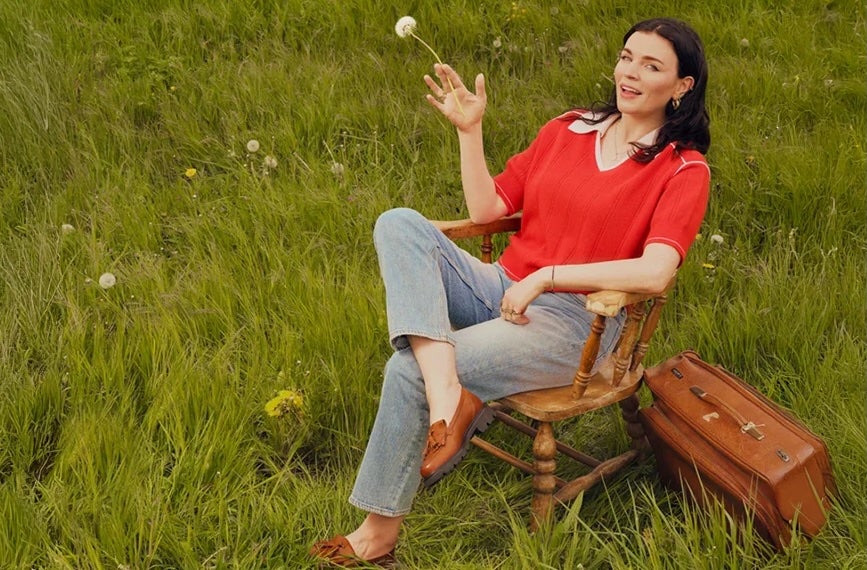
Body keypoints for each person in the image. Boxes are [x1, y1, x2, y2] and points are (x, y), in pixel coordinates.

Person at [311, 17, 711, 567]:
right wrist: (469, 133)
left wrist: (547, 277)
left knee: (405, 371)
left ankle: (377, 536)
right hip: (500, 286)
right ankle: (449, 391)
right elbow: (487, 212)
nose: (631, 73)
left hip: (573, 322)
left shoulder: (681, 168)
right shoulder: (568, 128)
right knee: (398, 222)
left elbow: (655, 273)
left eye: (651, 65)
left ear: (683, 85)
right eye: (626, 57)